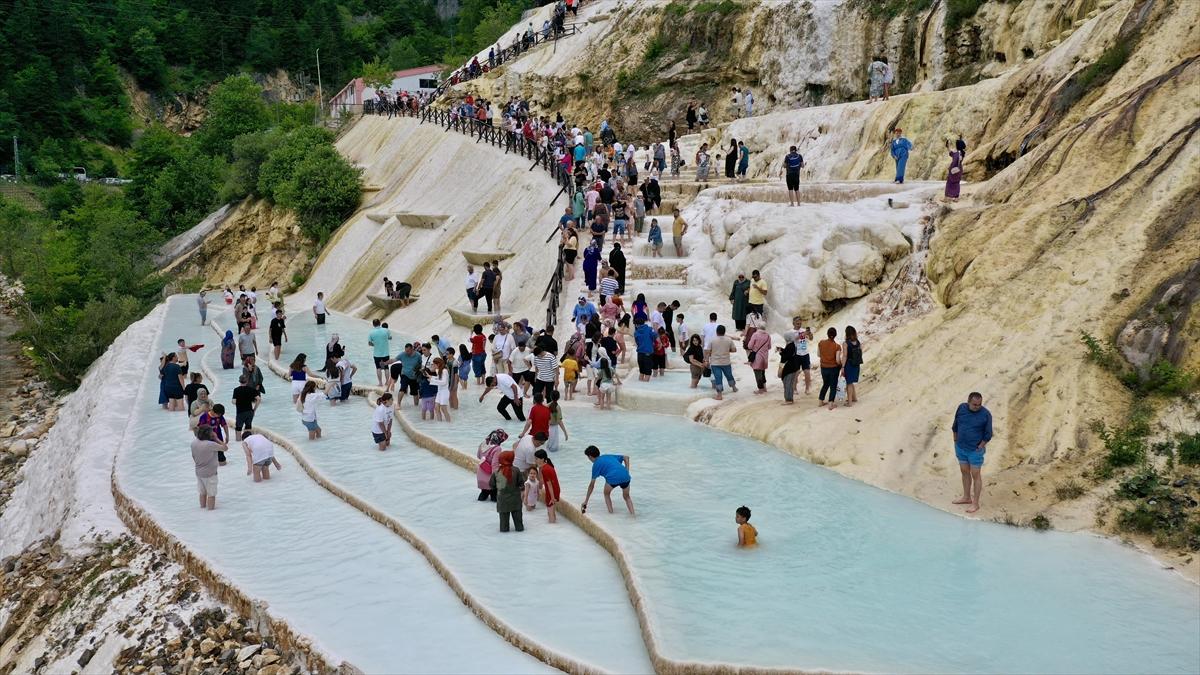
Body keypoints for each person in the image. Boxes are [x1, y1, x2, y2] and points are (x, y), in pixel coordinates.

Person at [952, 392, 993, 514]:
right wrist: (955, 440)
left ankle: (975, 503)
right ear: (968, 402)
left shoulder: (986, 414)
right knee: (964, 471)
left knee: (976, 474)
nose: (977, 407)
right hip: (960, 447)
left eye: (979, 404)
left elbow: (988, 434)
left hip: (975, 451)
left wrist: (980, 446)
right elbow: (955, 425)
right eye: (974, 404)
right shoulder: (961, 408)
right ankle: (966, 497)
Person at [582, 446, 634, 516]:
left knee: (606, 494)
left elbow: (591, 485)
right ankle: (633, 516)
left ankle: (611, 515)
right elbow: (626, 457)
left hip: (613, 478)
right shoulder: (607, 456)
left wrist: (586, 501)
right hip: (626, 476)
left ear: (590, 457)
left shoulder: (596, 464)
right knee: (627, 497)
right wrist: (626, 471)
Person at [491, 451, 525, 532]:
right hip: (515, 501)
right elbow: (521, 484)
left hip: (502, 501)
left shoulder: (496, 472)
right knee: (519, 527)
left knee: (503, 528)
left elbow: (491, 485)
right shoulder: (516, 471)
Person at [191, 426, 222, 510]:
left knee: (202, 493)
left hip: (199, 472)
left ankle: (202, 510)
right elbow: (225, 448)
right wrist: (216, 438)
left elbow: (194, 457)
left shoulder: (194, 443)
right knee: (211, 494)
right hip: (210, 474)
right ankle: (211, 516)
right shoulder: (211, 444)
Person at [705, 325, 737, 400]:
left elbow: (708, 352)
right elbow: (734, 350)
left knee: (718, 378)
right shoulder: (729, 340)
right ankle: (734, 388)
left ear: (716, 332)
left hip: (715, 363)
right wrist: (726, 350)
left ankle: (719, 395)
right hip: (726, 362)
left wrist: (706, 360)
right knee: (729, 375)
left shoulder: (712, 340)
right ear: (724, 332)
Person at [477, 429, 507, 501]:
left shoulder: (483, 443)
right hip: (490, 476)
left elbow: (478, 456)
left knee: (483, 495)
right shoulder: (497, 448)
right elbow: (495, 464)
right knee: (495, 498)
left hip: (481, 473)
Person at [817, 327, 841, 410]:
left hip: (823, 367)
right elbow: (837, 360)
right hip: (833, 368)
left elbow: (818, 355)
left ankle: (820, 401)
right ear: (835, 335)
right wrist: (840, 365)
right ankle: (831, 404)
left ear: (827, 334)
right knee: (833, 385)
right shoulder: (837, 346)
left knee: (826, 384)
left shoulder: (821, 343)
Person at [231, 374, 260, 442]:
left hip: (240, 412)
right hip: (250, 411)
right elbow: (258, 399)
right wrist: (254, 409)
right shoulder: (251, 389)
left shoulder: (236, 390)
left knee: (238, 428)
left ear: (239, 381)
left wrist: (239, 403)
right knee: (248, 427)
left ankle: (238, 443)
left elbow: (233, 401)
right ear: (247, 381)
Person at [534, 450, 560, 523]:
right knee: (551, 511)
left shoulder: (545, 470)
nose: (535, 460)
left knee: (550, 512)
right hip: (555, 489)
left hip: (552, 492)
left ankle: (552, 525)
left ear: (542, 459)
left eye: (536, 459)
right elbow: (542, 480)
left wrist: (552, 497)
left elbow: (549, 485)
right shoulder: (547, 466)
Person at [778, 331, 803, 404]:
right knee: (790, 383)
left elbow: (787, 356)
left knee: (787, 383)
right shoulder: (792, 345)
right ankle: (790, 399)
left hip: (789, 368)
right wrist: (782, 350)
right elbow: (788, 353)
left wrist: (781, 352)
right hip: (793, 367)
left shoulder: (790, 346)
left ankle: (788, 400)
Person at [747, 321, 771, 394]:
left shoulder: (755, 335)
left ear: (758, 327)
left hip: (757, 357)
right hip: (765, 357)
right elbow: (769, 347)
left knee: (757, 373)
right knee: (763, 372)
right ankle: (765, 387)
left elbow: (749, 346)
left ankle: (760, 389)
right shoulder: (768, 335)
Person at [791, 318, 814, 395]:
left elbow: (811, 339)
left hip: (805, 353)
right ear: (793, 323)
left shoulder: (804, 330)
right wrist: (803, 334)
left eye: (800, 323)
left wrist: (810, 334)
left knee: (807, 371)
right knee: (796, 372)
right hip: (796, 354)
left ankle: (807, 388)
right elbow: (793, 339)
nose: (799, 324)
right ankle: (794, 388)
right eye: (797, 323)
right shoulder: (791, 332)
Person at [842, 325, 863, 406]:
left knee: (849, 383)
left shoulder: (846, 343)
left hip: (849, 364)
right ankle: (854, 398)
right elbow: (861, 353)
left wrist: (843, 367)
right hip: (856, 364)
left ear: (846, 333)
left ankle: (850, 402)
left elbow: (845, 356)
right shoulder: (858, 342)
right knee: (851, 382)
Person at [368, 318, 391, 386]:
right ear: (380, 323)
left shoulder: (371, 332)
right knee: (386, 367)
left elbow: (369, 343)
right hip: (386, 353)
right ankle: (387, 382)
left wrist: (375, 345)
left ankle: (380, 383)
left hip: (377, 353)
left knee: (378, 368)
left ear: (373, 324)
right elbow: (390, 337)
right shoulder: (386, 330)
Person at [432, 357, 452, 422]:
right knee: (436, 407)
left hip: (444, 391)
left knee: (443, 408)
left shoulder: (444, 371)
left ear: (438, 364)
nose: (433, 365)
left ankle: (449, 424)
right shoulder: (438, 370)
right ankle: (440, 424)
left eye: (434, 364)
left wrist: (432, 380)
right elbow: (438, 379)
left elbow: (444, 382)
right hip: (440, 391)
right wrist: (431, 378)